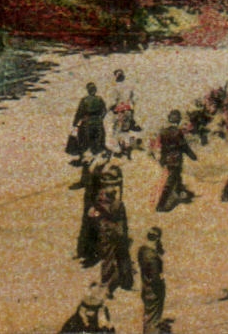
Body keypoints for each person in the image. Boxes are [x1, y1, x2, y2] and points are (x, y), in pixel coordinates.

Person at [96, 168, 134, 297]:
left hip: (108, 232)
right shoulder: (115, 204)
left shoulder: (101, 198)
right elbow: (119, 221)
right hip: (114, 233)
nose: (114, 189)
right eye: (110, 186)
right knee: (115, 257)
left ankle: (111, 282)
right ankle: (111, 285)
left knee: (111, 258)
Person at [154, 111, 196, 212]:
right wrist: (193, 156)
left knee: (177, 177)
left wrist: (162, 160)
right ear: (178, 120)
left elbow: (163, 148)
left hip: (168, 159)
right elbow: (184, 146)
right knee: (171, 181)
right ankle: (161, 204)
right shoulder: (178, 132)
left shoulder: (163, 132)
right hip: (176, 159)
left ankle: (180, 191)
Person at [137, 227, 166, 334]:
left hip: (145, 288)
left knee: (148, 318)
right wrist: (161, 283)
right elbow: (155, 278)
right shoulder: (152, 257)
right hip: (154, 292)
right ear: (157, 239)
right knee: (153, 320)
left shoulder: (142, 251)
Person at [73, 83, 108, 160]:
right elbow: (104, 111)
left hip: (87, 122)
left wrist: (75, 122)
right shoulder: (99, 99)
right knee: (100, 138)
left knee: (84, 138)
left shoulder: (84, 100)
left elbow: (79, 112)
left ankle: (85, 154)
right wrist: (100, 118)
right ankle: (98, 152)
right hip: (98, 122)